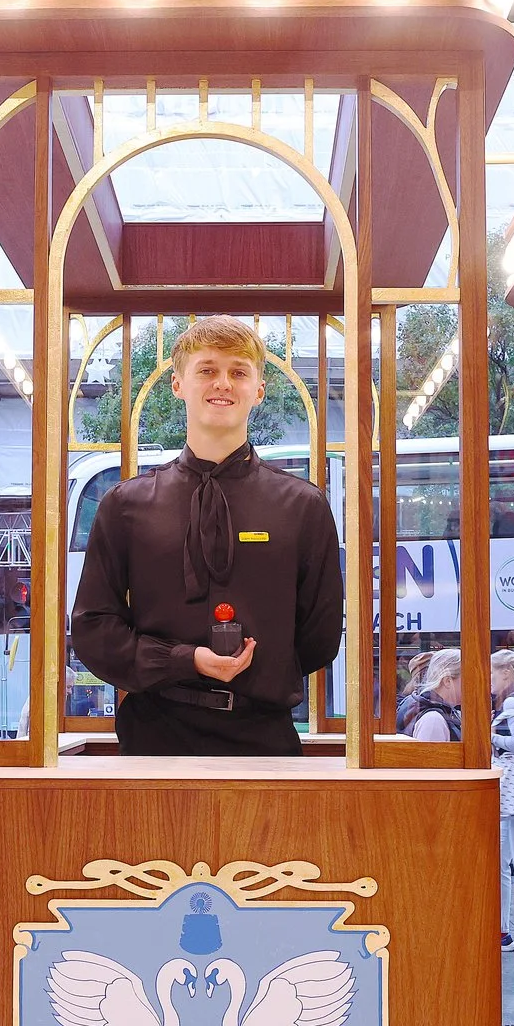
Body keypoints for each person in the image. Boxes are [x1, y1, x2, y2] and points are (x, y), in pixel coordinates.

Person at [70, 316, 343, 755]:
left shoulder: (303, 507)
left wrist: (259, 673)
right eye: (207, 370)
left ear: (259, 389)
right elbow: (92, 629)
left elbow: (321, 634)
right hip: (153, 742)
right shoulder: (125, 506)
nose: (223, 383)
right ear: (178, 384)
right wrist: (183, 660)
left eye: (238, 371)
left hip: (264, 742)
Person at [491, 650, 514, 950]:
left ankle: (503, 931)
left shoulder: (511, 702)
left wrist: (491, 738)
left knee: (502, 863)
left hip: (509, 792)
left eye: (492, 673)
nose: (488, 680)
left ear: (506, 673)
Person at [405, 648, 465, 742]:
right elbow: (430, 756)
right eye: (467, 678)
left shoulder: (437, 711)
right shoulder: (433, 720)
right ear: (447, 681)